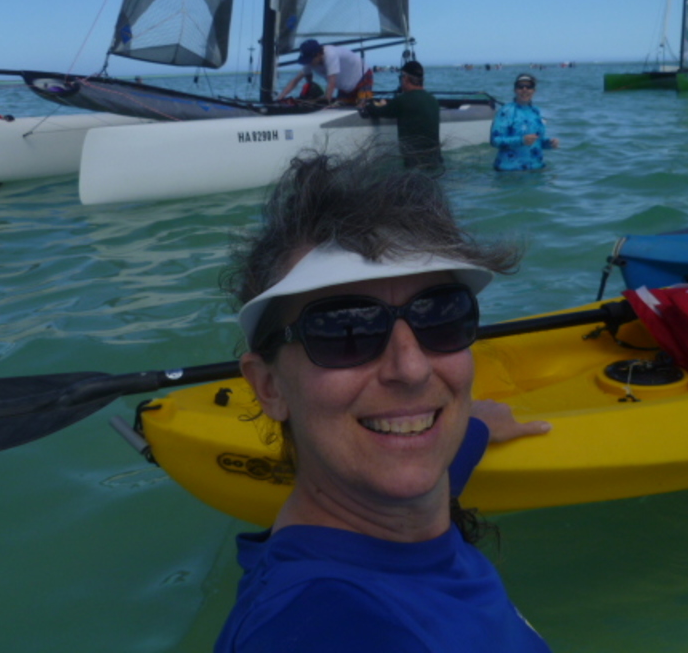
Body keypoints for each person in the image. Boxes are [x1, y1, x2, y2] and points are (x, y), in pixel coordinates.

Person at [215, 147, 553, 652]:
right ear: (269, 387)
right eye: (345, 330)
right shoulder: (324, 625)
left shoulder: (398, 497)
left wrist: (475, 423)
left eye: (440, 316)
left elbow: (433, 464)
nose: (412, 368)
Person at [361, 60, 442, 170]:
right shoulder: (433, 101)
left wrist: (368, 103)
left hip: (414, 166)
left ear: (406, 78)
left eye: (401, 77)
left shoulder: (402, 100)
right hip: (436, 162)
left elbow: (376, 111)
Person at [489, 74, 560, 172]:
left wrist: (549, 143)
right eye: (520, 86)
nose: (524, 89)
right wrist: (521, 140)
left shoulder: (536, 111)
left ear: (534, 91)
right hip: (509, 172)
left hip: (536, 170)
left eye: (529, 87)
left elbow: (537, 141)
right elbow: (495, 141)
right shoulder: (506, 111)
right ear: (515, 90)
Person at [276, 39, 374, 105]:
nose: (308, 63)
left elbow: (332, 82)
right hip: (345, 88)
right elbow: (295, 81)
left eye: (310, 59)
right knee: (343, 107)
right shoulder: (311, 62)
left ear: (319, 54)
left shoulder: (330, 55)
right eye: (307, 60)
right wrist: (280, 97)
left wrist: (327, 102)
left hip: (363, 77)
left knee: (363, 106)